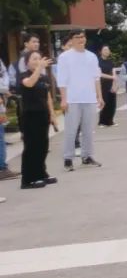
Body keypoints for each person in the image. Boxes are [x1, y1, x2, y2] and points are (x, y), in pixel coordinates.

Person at [56, 29, 103, 171]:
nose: (81, 39)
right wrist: (63, 99)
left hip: (89, 98)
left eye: (82, 37)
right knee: (71, 130)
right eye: (77, 37)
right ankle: (68, 159)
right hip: (72, 99)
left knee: (88, 130)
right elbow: (61, 80)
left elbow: (96, 78)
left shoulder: (92, 56)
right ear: (71, 40)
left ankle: (87, 156)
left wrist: (99, 96)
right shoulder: (64, 57)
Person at [17, 51, 57, 189]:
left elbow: (48, 97)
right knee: (31, 148)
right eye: (34, 59)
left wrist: (52, 114)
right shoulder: (24, 75)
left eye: (39, 58)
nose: (38, 61)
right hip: (30, 116)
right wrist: (39, 68)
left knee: (42, 146)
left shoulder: (44, 77)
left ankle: (41, 174)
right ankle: (28, 179)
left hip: (43, 115)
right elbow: (29, 84)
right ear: (27, 62)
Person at [97, 46, 118, 127]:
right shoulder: (98, 61)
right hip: (102, 84)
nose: (107, 51)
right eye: (105, 50)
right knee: (104, 102)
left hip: (110, 84)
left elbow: (114, 73)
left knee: (112, 103)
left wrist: (114, 85)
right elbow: (99, 74)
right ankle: (101, 121)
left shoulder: (110, 62)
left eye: (108, 50)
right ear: (101, 51)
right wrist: (112, 77)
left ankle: (110, 121)